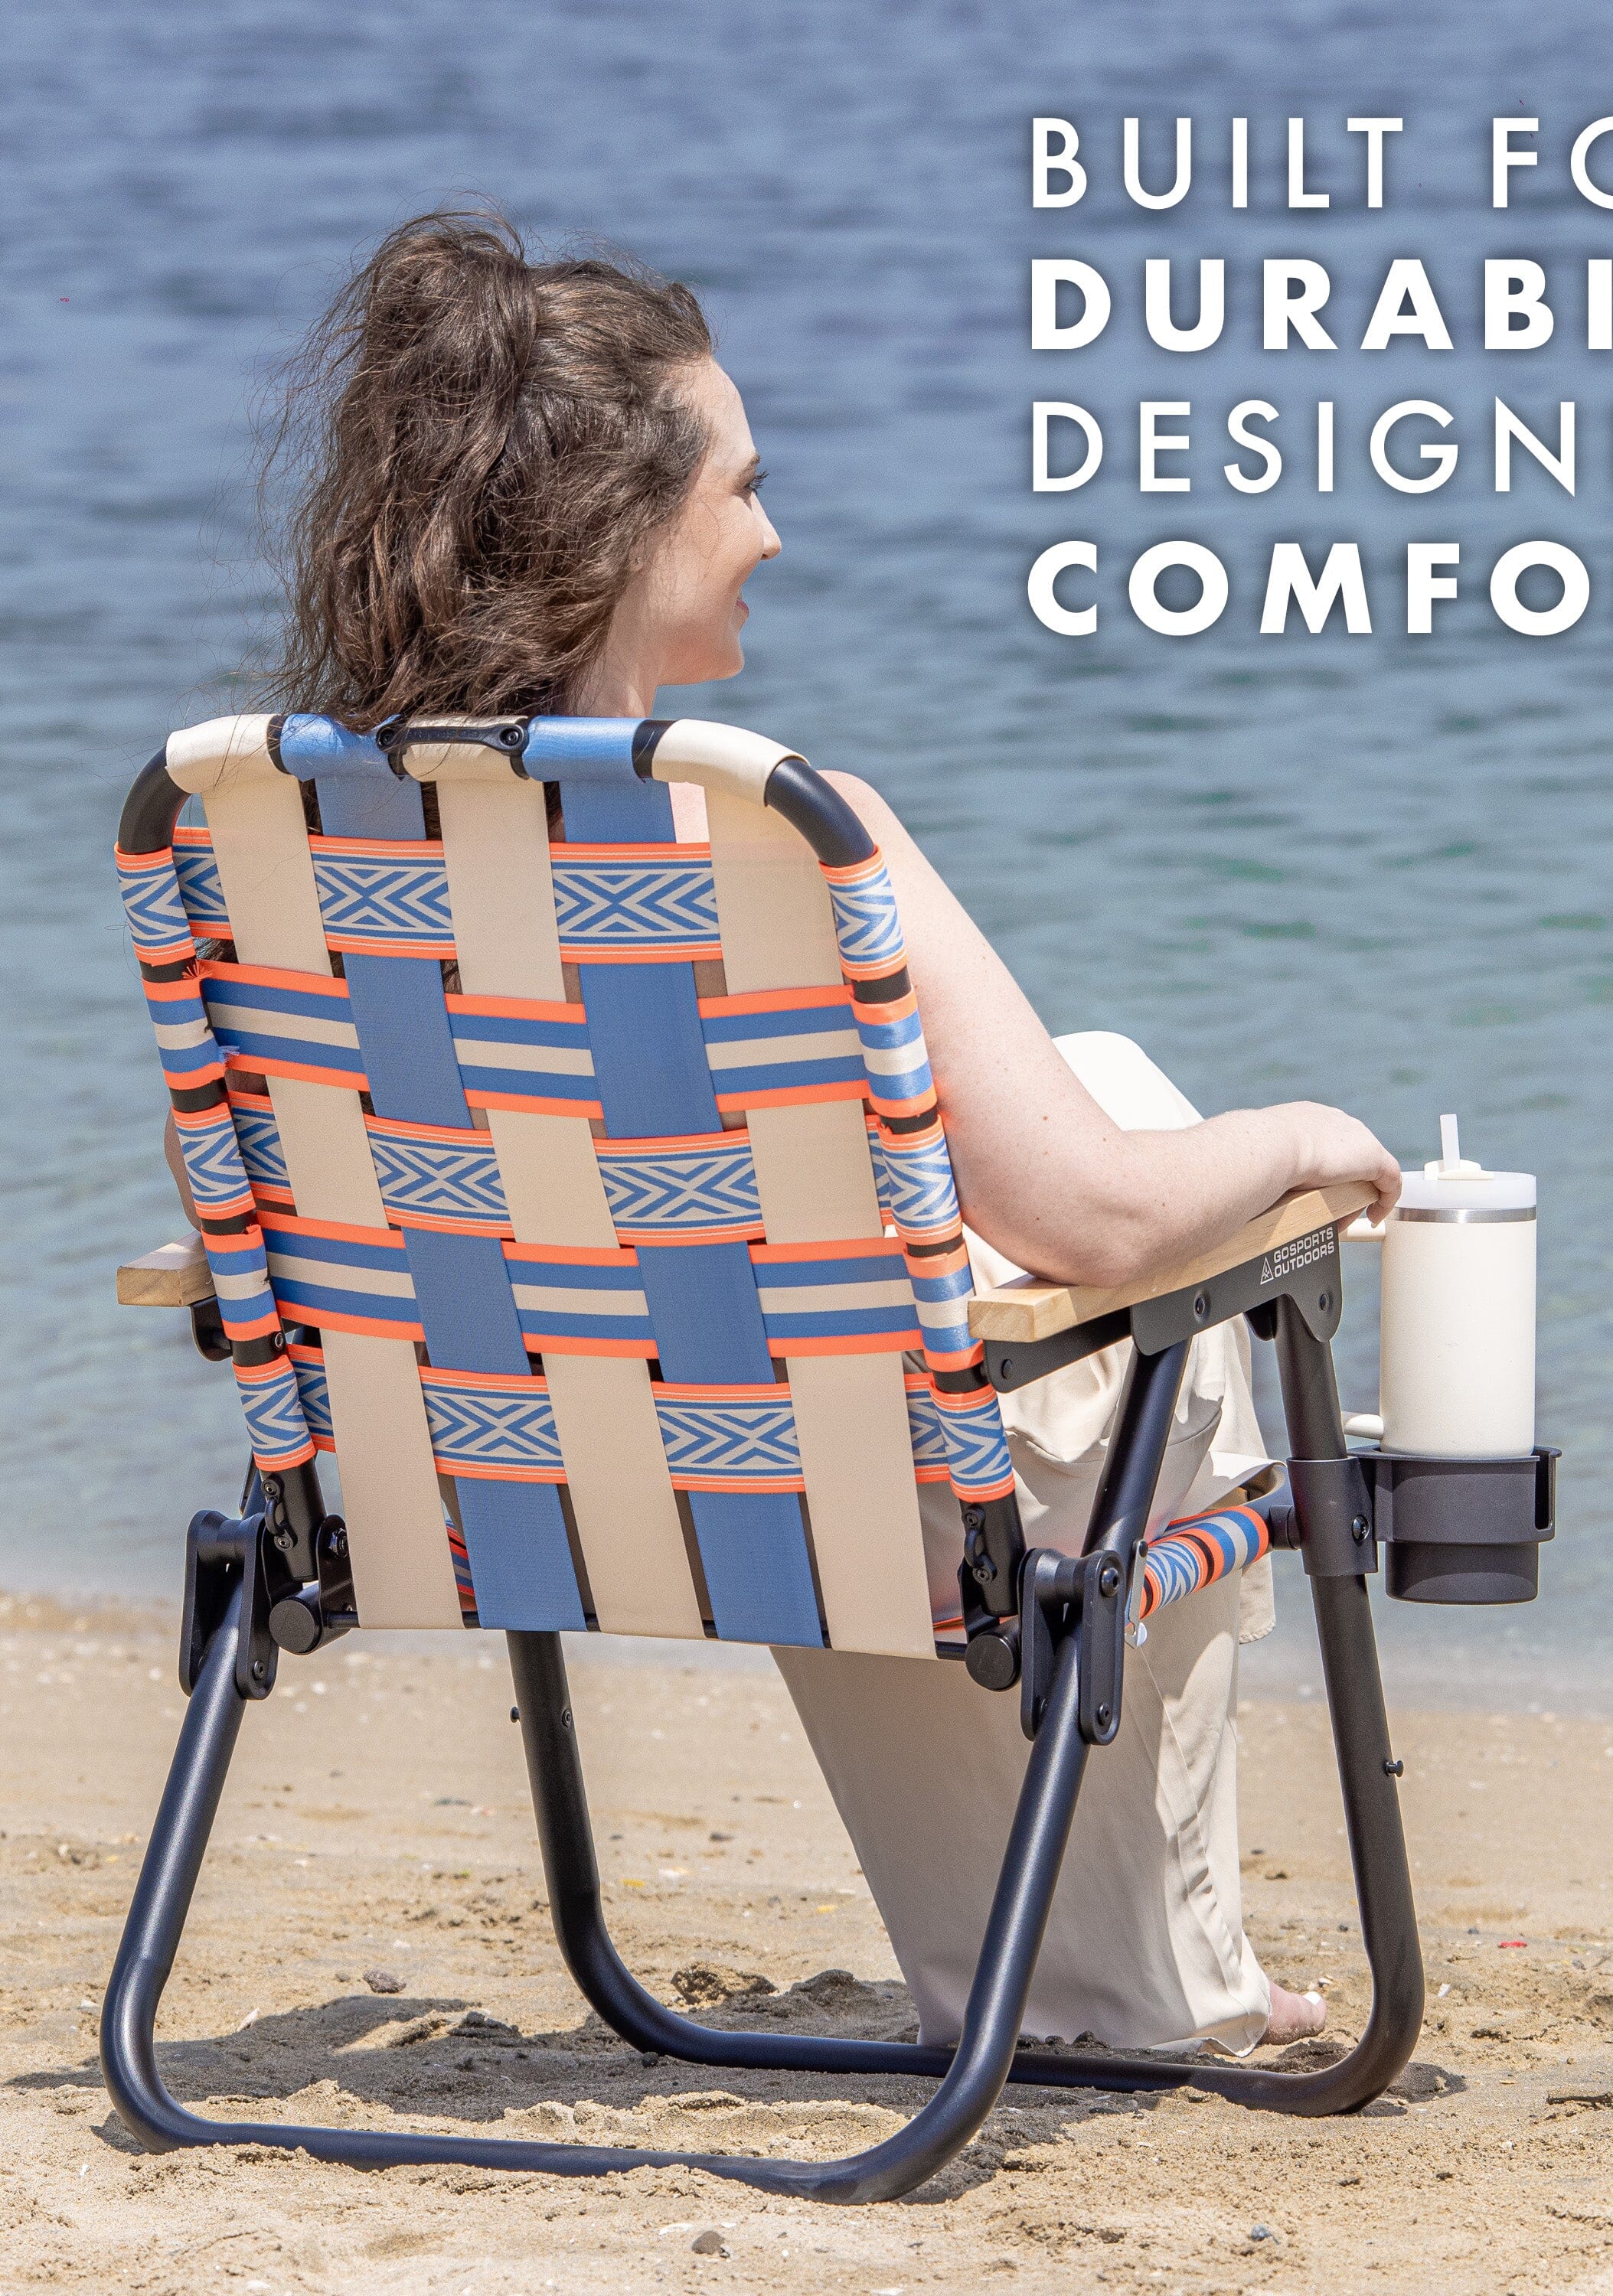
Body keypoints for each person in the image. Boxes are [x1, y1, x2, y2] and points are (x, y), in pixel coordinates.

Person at [217, 209, 1401, 2053]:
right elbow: (1095, 1218)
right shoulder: (781, 833)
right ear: (623, 527)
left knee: (949, 1196)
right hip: (830, 1513)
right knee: (1154, 1178)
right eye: (745, 488)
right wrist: (1311, 1138)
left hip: (478, 1496)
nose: (772, 532)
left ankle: (1081, 1975)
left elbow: (258, 1217)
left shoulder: (299, 855)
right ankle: (1153, 1981)